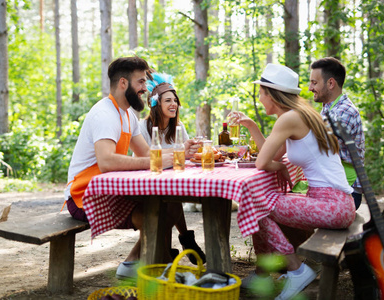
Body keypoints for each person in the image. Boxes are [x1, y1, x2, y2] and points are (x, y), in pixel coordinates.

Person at [64, 56, 200, 280]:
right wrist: (166, 159)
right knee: (155, 216)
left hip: (108, 190)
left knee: (170, 205)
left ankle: (137, 265)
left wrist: (181, 153)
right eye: (140, 83)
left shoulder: (128, 114)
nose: (145, 89)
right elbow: (107, 162)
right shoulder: (104, 113)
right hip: (85, 195)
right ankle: (148, 270)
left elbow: (146, 153)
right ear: (123, 83)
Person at [229, 63, 356, 299]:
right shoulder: (299, 115)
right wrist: (253, 127)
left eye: (261, 93)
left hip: (333, 207)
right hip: (335, 202)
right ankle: (264, 272)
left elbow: (262, 163)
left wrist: (276, 166)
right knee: (264, 201)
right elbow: (272, 156)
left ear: (271, 94)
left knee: (259, 205)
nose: (260, 99)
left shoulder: (290, 119)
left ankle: (296, 270)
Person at [138, 72, 206, 265]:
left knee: (171, 195)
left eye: (175, 100)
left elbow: (186, 156)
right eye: (168, 100)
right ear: (156, 104)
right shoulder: (143, 127)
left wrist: (193, 151)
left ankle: (169, 249)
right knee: (169, 200)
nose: (173, 104)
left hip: (169, 182)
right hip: (146, 182)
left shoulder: (178, 127)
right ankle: (185, 240)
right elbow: (141, 159)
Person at [309, 57, 365, 209]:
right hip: (335, 184)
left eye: (314, 82)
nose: (310, 88)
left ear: (331, 83)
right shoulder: (329, 108)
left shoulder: (344, 112)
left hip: (347, 192)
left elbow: (319, 146)